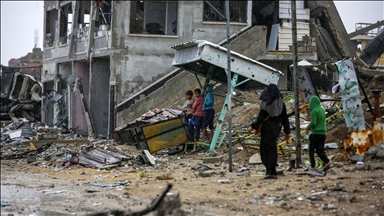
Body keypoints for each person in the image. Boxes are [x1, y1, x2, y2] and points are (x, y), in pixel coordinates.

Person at [247, 84, 290, 179]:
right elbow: (285, 119)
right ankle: (272, 170)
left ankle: (270, 171)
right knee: (272, 148)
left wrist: (252, 127)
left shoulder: (266, 103)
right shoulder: (281, 104)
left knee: (265, 150)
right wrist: (287, 132)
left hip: (266, 130)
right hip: (276, 130)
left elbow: (260, 118)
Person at [306, 96, 332, 173]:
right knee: (320, 149)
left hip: (315, 133)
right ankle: (327, 162)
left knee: (311, 150)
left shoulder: (314, 111)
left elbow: (314, 122)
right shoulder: (322, 109)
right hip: (323, 133)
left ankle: (313, 166)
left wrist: (308, 127)